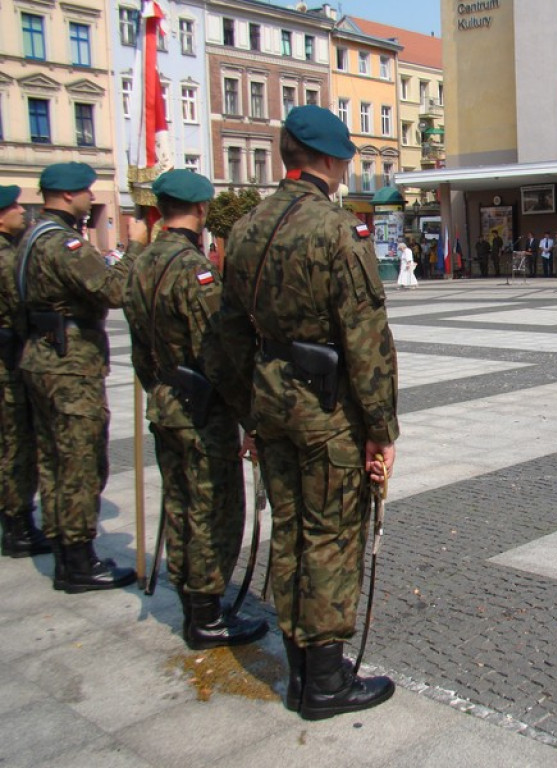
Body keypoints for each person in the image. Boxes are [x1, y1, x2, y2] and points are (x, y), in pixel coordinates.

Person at [219, 105, 398, 720]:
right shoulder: (334, 231)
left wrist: (249, 412)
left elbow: (228, 337)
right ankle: (324, 682)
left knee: (292, 532)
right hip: (326, 412)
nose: (347, 165)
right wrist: (381, 430)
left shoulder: (244, 229)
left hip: (271, 405)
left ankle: (301, 669)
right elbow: (366, 340)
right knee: (330, 536)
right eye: (344, 156)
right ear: (325, 159)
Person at [123, 169, 268, 649]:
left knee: (181, 504)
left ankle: (192, 601)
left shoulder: (141, 263)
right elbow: (221, 354)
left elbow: (140, 350)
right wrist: (251, 417)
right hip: (202, 411)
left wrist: (160, 388)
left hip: (165, 403)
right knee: (214, 510)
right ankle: (207, 617)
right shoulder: (195, 270)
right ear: (202, 210)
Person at [19, 162, 148, 592]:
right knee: (79, 461)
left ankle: (64, 551)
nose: (90, 200)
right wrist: (133, 250)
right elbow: (113, 291)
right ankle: (79, 560)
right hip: (70, 364)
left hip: (41, 357)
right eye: (86, 193)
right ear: (70, 194)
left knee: (53, 459)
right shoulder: (65, 245)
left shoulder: (30, 239)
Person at [0, 186, 49, 559]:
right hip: (8, 362)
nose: (20, 211)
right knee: (16, 444)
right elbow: (22, 308)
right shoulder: (5, 259)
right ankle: (17, 524)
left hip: (13, 356)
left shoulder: (14, 252)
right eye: (13, 206)